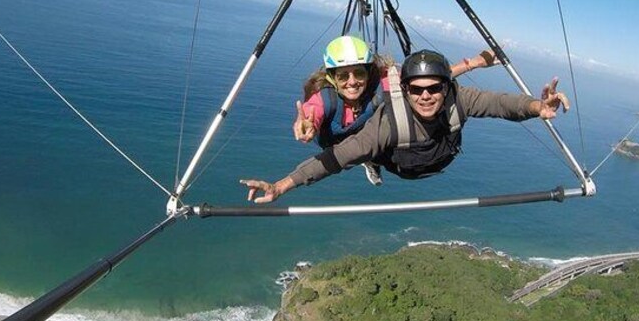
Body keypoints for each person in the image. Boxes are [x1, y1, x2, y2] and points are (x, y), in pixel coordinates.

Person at [243, 49, 569, 203]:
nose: (426, 96)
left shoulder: (457, 97)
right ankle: (373, 162)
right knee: (362, 151)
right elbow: (335, 158)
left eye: (434, 88)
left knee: (463, 94)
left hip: (439, 157)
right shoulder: (384, 125)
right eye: (416, 89)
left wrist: (537, 106)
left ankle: (373, 158)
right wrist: (282, 185)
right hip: (400, 161)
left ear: (444, 86)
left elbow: (500, 103)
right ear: (405, 89)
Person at [292, 36, 497, 186]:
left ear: (368, 72)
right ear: (331, 77)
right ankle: (368, 159)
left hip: (372, 140)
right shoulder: (325, 100)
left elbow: (428, 78)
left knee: (392, 123)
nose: (352, 82)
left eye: (359, 73)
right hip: (338, 143)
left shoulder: (383, 84)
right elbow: (312, 112)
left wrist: (474, 63)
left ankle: (371, 160)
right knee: (358, 149)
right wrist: (307, 125)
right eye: (343, 76)